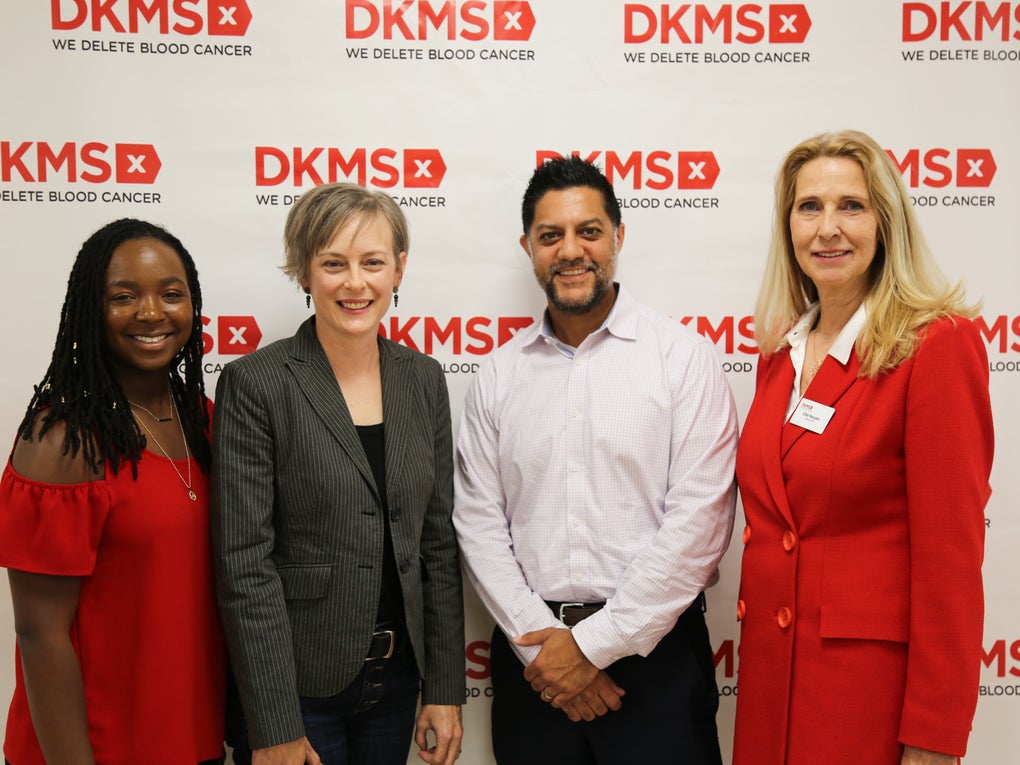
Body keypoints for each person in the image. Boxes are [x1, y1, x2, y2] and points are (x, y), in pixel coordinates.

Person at [453, 156, 738, 764]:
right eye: (550, 236)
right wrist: (549, 654)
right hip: (534, 665)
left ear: (618, 236)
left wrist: (591, 648)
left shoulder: (682, 359)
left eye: (589, 231)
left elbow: (700, 524)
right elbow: (478, 525)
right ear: (528, 247)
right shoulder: (498, 375)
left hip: (657, 659)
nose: (570, 251)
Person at [732, 129, 994, 765]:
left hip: (867, 700)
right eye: (809, 207)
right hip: (770, 690)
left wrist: (934, 734)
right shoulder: (780, 355)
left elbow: (951, 562)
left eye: (851, 206)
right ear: (788, 226)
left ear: (886, 222)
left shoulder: (937, 345)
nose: (828, 228)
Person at [212, 182, 464, 765]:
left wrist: (445, 687)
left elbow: (437, 544)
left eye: (372, 262)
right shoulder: (257, 383)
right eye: (333, 264)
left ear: (399, 268)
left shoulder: (423, 379)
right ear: (305, 271)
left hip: (397, 681)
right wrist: (274, 724)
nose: (356, 283)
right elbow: (244, 564)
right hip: (299, 691)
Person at [0, 219, 226, 765]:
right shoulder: (63, 440)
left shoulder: (203, 418)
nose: (151, 313)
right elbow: (39, 634)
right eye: (123, 297)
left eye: (171, 294)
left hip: (192, 738)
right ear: (90, 310)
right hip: (97, 749)